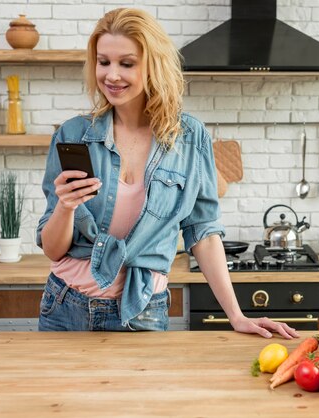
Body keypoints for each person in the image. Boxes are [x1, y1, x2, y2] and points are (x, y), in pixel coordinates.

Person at [36, 8, 298, 339]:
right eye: (104, 62)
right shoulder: (74, 135)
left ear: (153, 65)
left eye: (126, 63)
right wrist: (66, 206)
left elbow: (202, 231)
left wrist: (237, 315)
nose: (112, 75)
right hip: (65, 306)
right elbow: (52, 248)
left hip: (143, 310)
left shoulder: (189, 137)